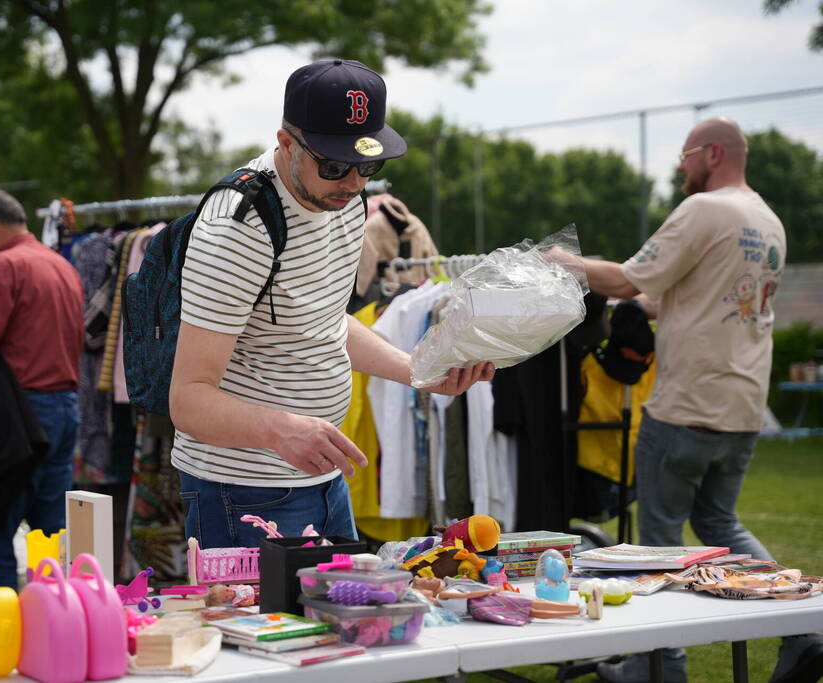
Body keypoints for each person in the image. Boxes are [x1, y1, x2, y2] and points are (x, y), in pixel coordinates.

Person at [169, 59, 495, 551]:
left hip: (323, 478)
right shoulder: (239, 228)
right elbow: (188, 399)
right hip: (242, 490)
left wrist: (417, 370)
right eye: (334, 165)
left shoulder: (343, 201)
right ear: (286, 144)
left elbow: (323, 321)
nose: (353, 182)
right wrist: (282, 431)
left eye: (368, 165)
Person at [574, 118, 821, 683]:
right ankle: (803, 631)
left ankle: (661, 667)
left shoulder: (703, 209)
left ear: (712, 153)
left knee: (659, 543)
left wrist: (563, 264)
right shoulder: (768, 221)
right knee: (720, 522)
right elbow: (709, 298)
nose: (681, 167)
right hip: (742, 405)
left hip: (686, 405)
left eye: (685, 156)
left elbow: (626, 281)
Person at [0, 188, 84, 589]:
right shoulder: (61, 265)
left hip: (16, 416)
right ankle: (55, 616)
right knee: (50, 536)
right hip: (65, 408)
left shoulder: (4, 266)